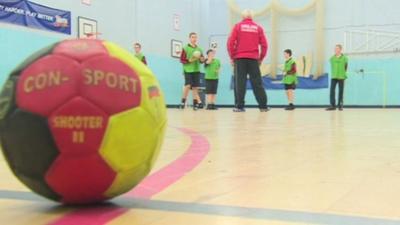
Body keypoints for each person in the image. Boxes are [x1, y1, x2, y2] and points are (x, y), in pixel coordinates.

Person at [227, 9, 269, 112]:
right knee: (257, 83)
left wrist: (232, 57)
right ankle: (263, 106)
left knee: (240, 82)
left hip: (240, 59)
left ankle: (239, 106)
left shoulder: (238, 26)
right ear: (252, 17)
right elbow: (265, 45)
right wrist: (260, 58)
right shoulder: (258, 28)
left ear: (242, 17)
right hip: (253, 59)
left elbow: (230, 43)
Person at [179, 32, 205, 110]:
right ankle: (183, 102)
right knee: (187, 85)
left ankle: (195, 104)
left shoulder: (199, 49)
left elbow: (202, 61)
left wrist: (202, 59)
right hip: (188, 69)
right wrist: (189, 60)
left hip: (196, 69)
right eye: (193, 37)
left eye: (195, 37)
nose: (194, 39)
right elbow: (182, 59)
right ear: (190, 38)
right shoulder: (185, 48)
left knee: (195, 87)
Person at [326, 44, 348, 111]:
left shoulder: (345, 58)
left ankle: (340, 105)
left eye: (337, 48)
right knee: (332, 91)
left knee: (341, 91)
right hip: (334, 76)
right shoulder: (332, 58)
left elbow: (346, 66)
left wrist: (343, 73)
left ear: (340, 49)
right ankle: (332, 105)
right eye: (335, 49)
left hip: (341, 76)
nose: (335, 50)